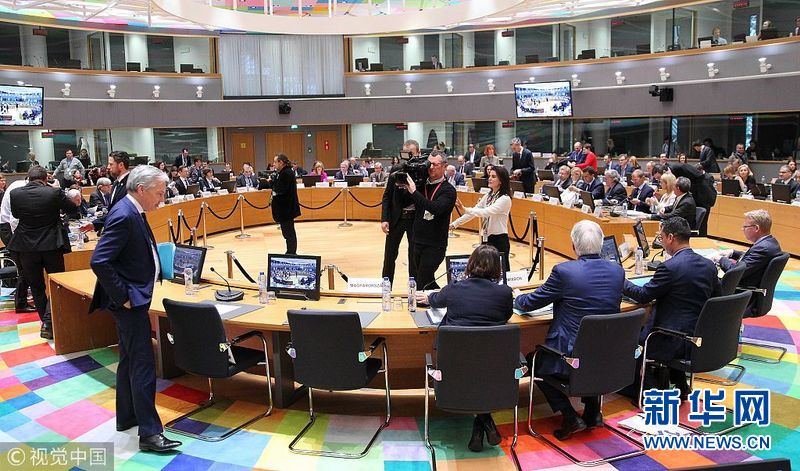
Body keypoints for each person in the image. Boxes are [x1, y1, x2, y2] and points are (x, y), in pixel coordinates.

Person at [89, 165, 181, 453]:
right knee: (143, 364)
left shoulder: (132, 210)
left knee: (130, 360)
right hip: (129, 302)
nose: (162, 199)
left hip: (133, 298)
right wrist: (123, 297)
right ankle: (150, 434)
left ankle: (127, 417)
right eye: (159, 193)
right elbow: (99, 260)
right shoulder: (124, 214)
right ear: (141, 189)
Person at [515, 220, 625, 439]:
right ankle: (593, 412)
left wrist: (517, 296)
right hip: (607, 357)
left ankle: (570, 416)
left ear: (574, 246)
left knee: (534, 361)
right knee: (593, 348)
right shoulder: (617, 271)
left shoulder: (564, 272)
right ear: (601, 244)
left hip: (569, 358)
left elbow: (530, 303)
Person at [416, 245, 512, 452]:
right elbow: (506, 316)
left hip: (454, 367)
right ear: (498, 269)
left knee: (471, 371)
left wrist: (427, 297)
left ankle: (481, 425)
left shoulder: (455, 289)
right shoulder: (504, 293)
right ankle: (484, 423)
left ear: (470, 265)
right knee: (479, 373)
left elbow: (435, 300)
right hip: (493, 367)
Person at [622, 217, 720, 397]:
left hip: (670, 339)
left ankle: (648, 389)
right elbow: (717, 300)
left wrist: (621, 279)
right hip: (698, 338)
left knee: (628, 336)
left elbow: (643, 295)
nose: (661, 242)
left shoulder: (669, 267)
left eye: (661, 237)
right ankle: (680, 382)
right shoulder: (709, 266)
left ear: (671, 238)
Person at [9, 166, 76, 339]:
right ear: (46, 178)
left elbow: (16, 215)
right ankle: (48, 321)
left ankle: (46, 323)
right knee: (56, 283)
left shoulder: (15, 194)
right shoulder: (54, 192)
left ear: (28, 178)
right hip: (51, 245)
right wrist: (56, 191)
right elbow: (72, 209)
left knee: (36, 286)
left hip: (26, 247)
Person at [405, 150, 457, 290]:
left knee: (423, 279)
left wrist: (414, 192)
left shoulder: (448, 190)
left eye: (435, 164)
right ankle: (441, 298)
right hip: (417, 240)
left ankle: (442, 297)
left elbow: (435, 208)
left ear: (445, 166)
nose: (431, 167)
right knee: (424, 280)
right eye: (429, 164)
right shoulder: (421, 184)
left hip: (435, 244)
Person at [712, 210, 782, 306]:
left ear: (756, 228)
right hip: (748, 288)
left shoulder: (762, 249)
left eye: (745, 227)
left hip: (742, 294)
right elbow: (752, 257)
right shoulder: (770, 242)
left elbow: (735, 273)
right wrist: (733, 253)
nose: (742, 229)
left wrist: (720, 259)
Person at [451, 167, 513, 271]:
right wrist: (455, 224)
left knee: (501, 271)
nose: (490, 178)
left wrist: (465, 209)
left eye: (493, 176)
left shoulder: (505, 199)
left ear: (501, 181)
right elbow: (475, 211)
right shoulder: (488, 196)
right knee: (485, 270)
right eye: (490, 176)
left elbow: (486, 212)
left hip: (499, 239)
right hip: (486, 238)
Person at [381, 140, 419, 284]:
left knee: (414, 256)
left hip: (415, 219)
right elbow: (387, 196)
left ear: (418, 153)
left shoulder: (422, 170)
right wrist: (384, 219)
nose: (408, 158)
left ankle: (414, 289)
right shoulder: (396, 169)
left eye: (411, 154)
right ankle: (386, 287)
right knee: (389, 256)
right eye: (405, 154)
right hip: (396, 218)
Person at [0, 176, 35, 314]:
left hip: (10, 228)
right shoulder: (19, 188)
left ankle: (23, 299)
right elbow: (14, 219)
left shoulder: (20, 185)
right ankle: (21, 303)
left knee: (25, 266)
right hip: (9, 229)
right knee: (25, 266)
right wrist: (23, 240)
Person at [271, 154, 301, 254]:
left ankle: (291, 252)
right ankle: (290, 251)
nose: (274, 164)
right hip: (285, 209)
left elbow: (280, 189)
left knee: (289, 233)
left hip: (286, 209)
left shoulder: (286, 173)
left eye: (275, 162)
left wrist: (271, 182)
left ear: (281, 162)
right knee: (287, 232)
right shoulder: (284, 172)